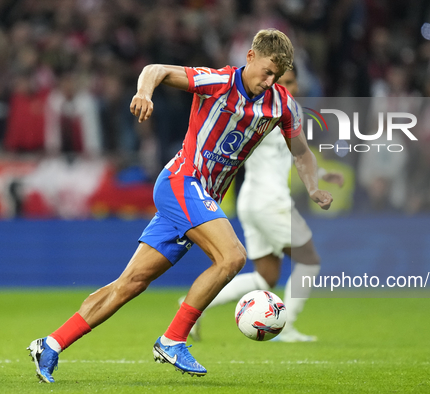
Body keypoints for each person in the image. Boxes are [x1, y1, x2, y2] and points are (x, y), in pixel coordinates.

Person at [27, 28, 333, 383]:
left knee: (131, 283)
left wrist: (312, 188)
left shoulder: (281, 104)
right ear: (249, 57)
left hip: (201, 197)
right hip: (181, 182)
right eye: (266, 71)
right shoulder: (217, 82)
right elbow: (156, 69)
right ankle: (173, 339)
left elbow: (302, 152)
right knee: (232, 256)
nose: (269, 81)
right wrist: (144, 91)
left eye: (276, 76)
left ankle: (50, 344)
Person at [184, 68, 344, 343]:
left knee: (265, 277)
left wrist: (321, 174)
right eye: (284, 82)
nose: (290, 87)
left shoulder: (279, 111)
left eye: (293, 82)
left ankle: (194, 306)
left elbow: (297, 154)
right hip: (271, 201)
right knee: (309, 262)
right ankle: (287, 326)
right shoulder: (269, 112)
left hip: (252, 200)